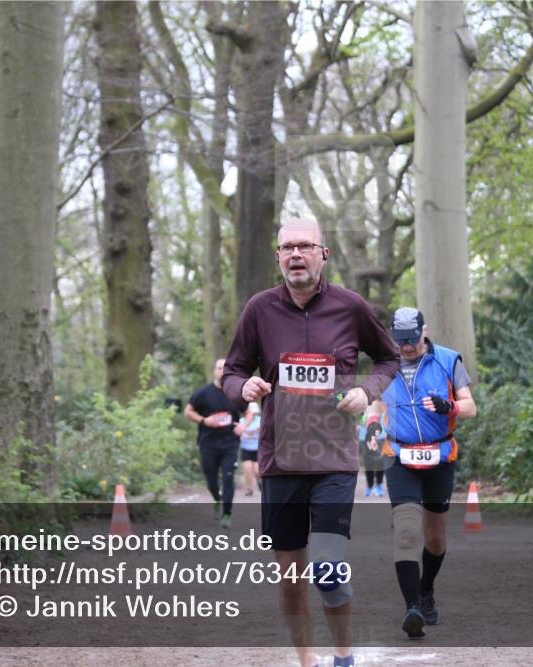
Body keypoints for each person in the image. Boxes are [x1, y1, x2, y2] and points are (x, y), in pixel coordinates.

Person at [222, 218, 399, 667]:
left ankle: (343, 657)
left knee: (327, 568)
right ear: (278, 257)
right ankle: (306, 661)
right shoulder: (259, 310)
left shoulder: (350, 307)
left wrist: (367, 390)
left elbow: (388, 358)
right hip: (280, 462)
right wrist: (243, 389)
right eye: (287, 248)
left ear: (324, 254)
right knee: (291, 578)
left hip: (334, 461)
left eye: (305, 246)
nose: (295, 255)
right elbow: (233, 370)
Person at [372, 307, 477, 639]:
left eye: (412, 340)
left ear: (424, 331)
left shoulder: (448, 360)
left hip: (440, 455)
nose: (407, 348)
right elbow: (374, 402)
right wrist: (373, 422)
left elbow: (471, 407)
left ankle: (426, 590)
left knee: (434, 537)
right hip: (399, 455)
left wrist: (452, 406)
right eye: (401, 341)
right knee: (405, 531)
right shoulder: (384, 364)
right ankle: (412, 608)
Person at [184, 358, 247, 529]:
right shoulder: (203, 393)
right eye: (219, 367)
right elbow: (188, 411)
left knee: (228, 477)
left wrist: (243, 425)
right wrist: (204, 420)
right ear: (214, 371)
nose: (222, 371)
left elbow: (249, 411)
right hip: (208, 443)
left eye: (225, 368)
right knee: (211, 480)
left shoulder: (234, 393)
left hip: (230, 443)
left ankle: (227, 513)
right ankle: (216, 498)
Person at [358, 413, 385, 497]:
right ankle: (369, 486)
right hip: (365, 438)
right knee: (368, 465)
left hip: (380, 438)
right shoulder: (364, 409)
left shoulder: (382, 408)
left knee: (380, 464)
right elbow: (360, 420)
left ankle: (379, 485)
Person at [238, 402, 261, 496]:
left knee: (257, 470)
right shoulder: (241, 421)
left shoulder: (260, 420)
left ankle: (259, 482)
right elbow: (239, 433)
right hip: (245, 448)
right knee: (247, 468)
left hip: (257, 449)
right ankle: (249, 489)